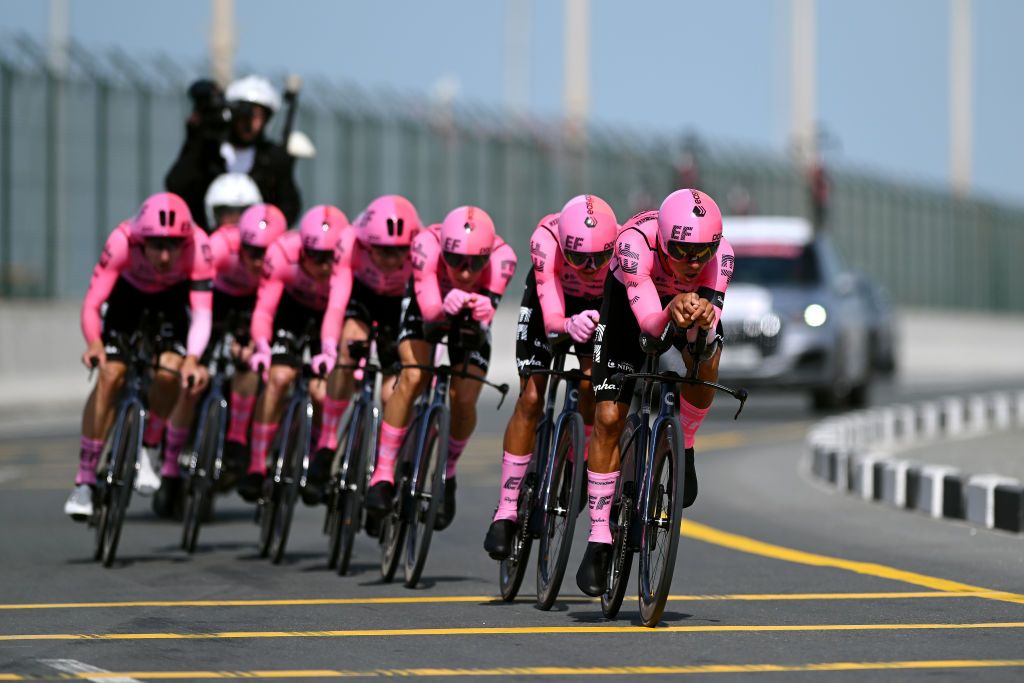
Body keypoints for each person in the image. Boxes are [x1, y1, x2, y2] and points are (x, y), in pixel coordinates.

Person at [574, 189, 735, 596]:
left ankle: (686, 444)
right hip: (632, 307)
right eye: (682, 250)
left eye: (703, 251)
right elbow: (649, 325)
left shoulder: (722, 258)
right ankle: (597, 536)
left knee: (709, 356)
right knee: (609, 416)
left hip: (682, 304)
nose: (693, 262)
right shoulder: (633, 244)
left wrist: (705, 322)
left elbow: (707, 333)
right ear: (664, 239)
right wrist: (675, 306)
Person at [483, 195, 619, 560]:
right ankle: (507, 509)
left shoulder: (623, 246)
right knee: (530, 396)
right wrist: (564, 325)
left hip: (597, 310)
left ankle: (578, 461)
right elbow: (552, 314)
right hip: (552, 303)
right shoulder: (545, 238)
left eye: (599, 258)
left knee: (594, 383)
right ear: (563, 246)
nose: (590, 267)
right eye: (578, 258)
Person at [365, 206, 517, 530]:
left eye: (476, 263)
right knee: (414, 375)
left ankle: (447, 471)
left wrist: (481, 308)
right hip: (425, 307)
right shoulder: (425, 244)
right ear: (443, 250)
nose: (464, 272)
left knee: (463, 397)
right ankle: (382, 474)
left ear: (488, 256)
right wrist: (440, 309)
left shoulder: (505, 258)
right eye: (456, 261)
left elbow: (485, 318)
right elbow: (431, 309)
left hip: (470, 320)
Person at [64, 192, 212, 520]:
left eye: (173, 245)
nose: (164, 255)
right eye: (156, 244)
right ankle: (85, 479)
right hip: (126, 300)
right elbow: (92, 303)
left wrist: (193, 357)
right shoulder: (121, 241)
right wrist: (94, 343)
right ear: (140, 239)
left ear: (185, 242)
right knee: (110, 374)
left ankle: (150, 446)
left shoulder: (199, 247)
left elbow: (202, 314)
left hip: (171, 302)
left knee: (171, 370)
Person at [301, 195, 423, 505]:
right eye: (383, 251)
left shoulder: (420, 246)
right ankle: (327, 442)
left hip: (400, 306)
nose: (393, 260)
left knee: (390, 393)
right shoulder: (350, 241)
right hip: (363, 297)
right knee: (349, 344)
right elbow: (336, 303)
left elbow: (424, 312)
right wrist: (329, 349)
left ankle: (384, 471)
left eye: (399, 251)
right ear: (368, 244)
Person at [237, 205, 349, 503]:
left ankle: (314, 458)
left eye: (330, 258)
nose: (325, 266)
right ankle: (257, 465)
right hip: (292, 314)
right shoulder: (282, 253)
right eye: (316, 257)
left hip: (329, 319)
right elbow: (264, 309)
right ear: (303, 250)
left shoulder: (347, 263)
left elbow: (341, 312)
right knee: (279, 378)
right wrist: (262, 344)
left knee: (323, 392)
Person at [165, 75, 301, 232]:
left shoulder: (273, 158)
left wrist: (266, 231)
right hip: (209, 243)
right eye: (244, 113)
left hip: (255, 247)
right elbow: (177, 185)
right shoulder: (209, 150)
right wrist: (196, 137)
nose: (250, 123)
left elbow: (289, 205)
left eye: (258, 115)